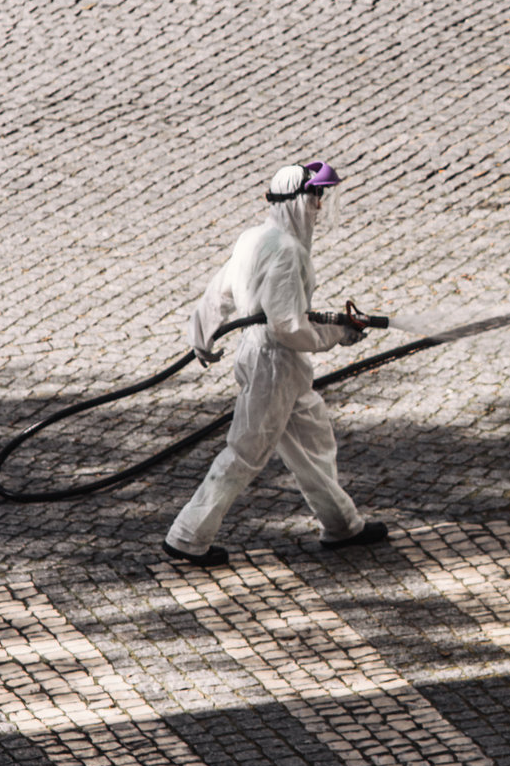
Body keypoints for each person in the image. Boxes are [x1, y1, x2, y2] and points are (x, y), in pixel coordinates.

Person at [162, 161, 388, 567]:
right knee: (246, 452)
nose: (320, 206)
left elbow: (222, 289)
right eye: (315, 197)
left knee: (313, 441)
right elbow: (287, 327)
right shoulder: (286, 251)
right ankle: (187, 537)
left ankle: (342, 525)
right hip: (274, 365)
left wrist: (202, 332)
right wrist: (336, 335)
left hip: (274, 363)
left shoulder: (255, 238)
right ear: (298, 201)